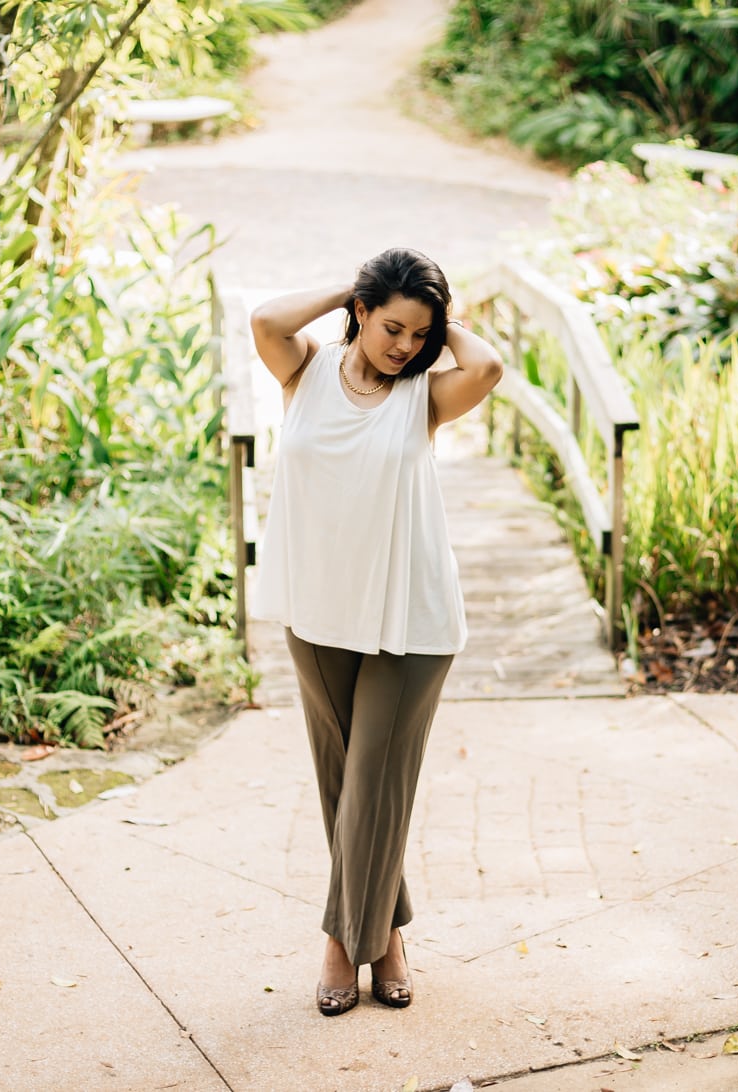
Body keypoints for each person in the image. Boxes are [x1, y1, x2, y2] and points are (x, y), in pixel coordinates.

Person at [249, 248, 503, 1016]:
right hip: (318, 610)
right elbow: (264, 319)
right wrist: (351, 289)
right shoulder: (305, 370)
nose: (405, 346)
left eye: (421, 335)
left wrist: (438, 324)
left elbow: (487, 367)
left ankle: (341, 942)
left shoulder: (425, 394)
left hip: (408, 620)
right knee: (349, 786)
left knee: (372, 780)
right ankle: (387, 936)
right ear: (360, 311)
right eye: (393, 328)